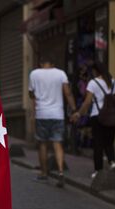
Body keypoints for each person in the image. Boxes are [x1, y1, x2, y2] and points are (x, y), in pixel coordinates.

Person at [28, 57, 77, 188]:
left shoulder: (34, 74)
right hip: (57, 114)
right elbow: (68, 93)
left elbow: (31, 93)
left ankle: (44, 173)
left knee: (43, 144)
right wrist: (74, 109)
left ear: (41, 63)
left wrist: (37, 98)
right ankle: (60, 172)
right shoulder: (61, 73)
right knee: (57, 143)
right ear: (53, 63)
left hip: (42, 114)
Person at [71, 63, 115, 178]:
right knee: (109, 142)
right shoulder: (114, 82)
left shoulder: (93, 83)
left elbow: (88, 102)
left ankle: (98, 170)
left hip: (98, 116)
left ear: (95, 71)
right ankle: (112, 163)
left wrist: (79, 113)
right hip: (113, 117)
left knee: (98, 144)